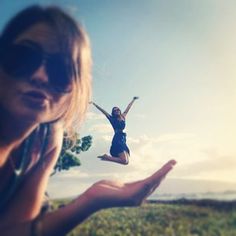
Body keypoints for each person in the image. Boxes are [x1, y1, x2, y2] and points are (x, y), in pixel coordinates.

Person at [0, 5, 176, 236]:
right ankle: (110, 157)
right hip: (117, 139)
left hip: (121, 138)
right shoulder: (112, 121)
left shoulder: (46, 138)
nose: (40, 75)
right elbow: (106, 112)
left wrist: (92, 199)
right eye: (24, 56)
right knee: (123, 160)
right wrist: (96, 106)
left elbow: (13, 232)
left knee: (124, 161)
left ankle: (110, 158)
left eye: (61, 71)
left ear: (75, 89)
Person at [90, 97, 139, 165]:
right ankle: (106, 157)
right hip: (117, 138)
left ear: (119, 110)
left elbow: (128, 107)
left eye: (117, 109)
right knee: (124, 160)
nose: (117, 111)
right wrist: (94, 104)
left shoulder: (123, 117)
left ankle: (107, 158)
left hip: (123, 139)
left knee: (126, 162)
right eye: (115, 110)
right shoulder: (112, 118)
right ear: (113, 113)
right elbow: (103, 111)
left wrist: (133, 100)